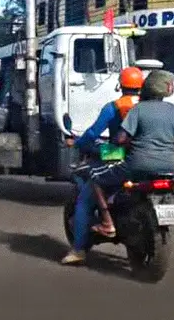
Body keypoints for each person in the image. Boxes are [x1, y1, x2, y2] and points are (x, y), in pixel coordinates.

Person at [88, 69, 174, 238]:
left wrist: (115, 145)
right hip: (169, 168)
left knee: (95, 177)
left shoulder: (139, 109)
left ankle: (107, 223)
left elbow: (120, 139)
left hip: (136, 165)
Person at [61, 67, 144, 265]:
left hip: (118, 154)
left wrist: (78, 142)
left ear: (120, 85)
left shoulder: (113, 107)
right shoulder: (146, 106)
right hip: (144, 156)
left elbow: (92, 134)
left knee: (84, 199)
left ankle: (79, 249)